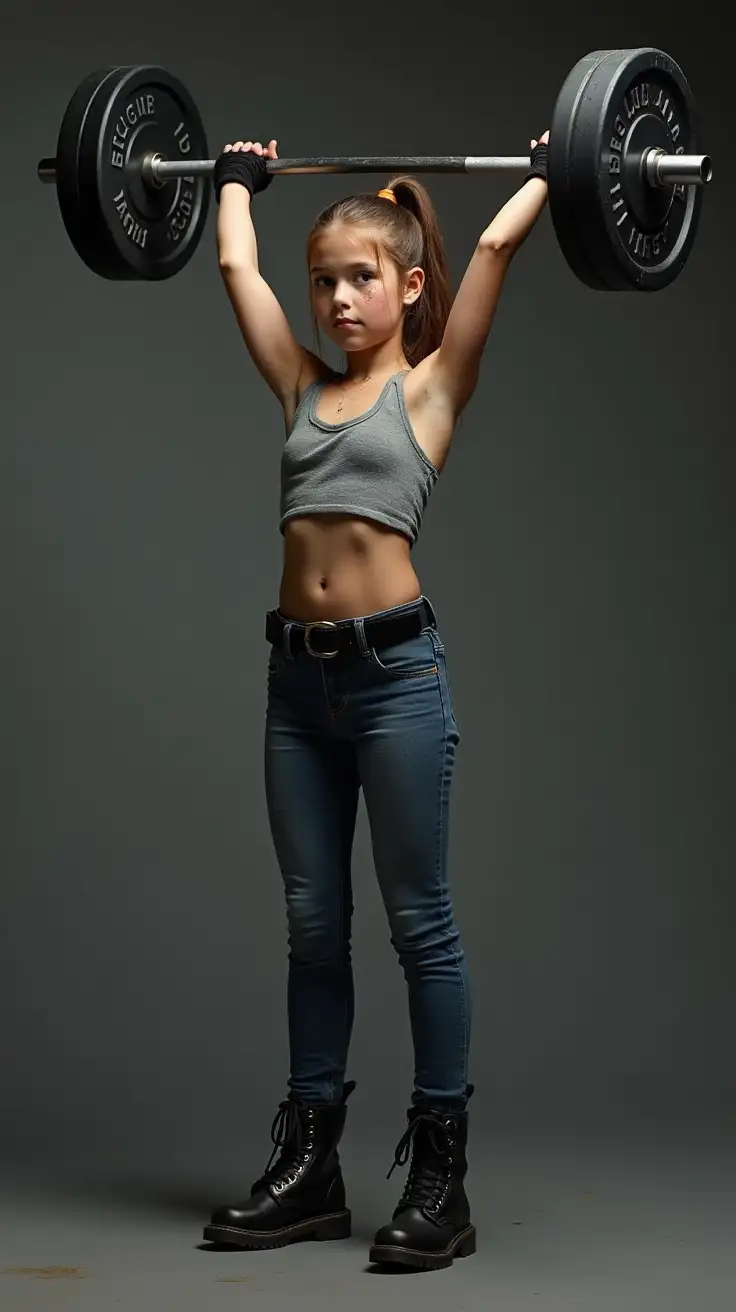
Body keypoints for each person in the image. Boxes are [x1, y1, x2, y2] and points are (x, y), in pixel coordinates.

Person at [201, 130, 550, 1271]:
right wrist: (232, 184)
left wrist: (558, 163)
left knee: (419, 925)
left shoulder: (433, 386)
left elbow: (494, 241)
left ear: (405, 286)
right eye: (326, 281)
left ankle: (440, 1180)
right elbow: (232, 274)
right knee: (312, 923)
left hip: (397, 681)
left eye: (361, 278)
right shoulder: (302, 385)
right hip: (295, 687)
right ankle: (311, 1167)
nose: (338, 298)